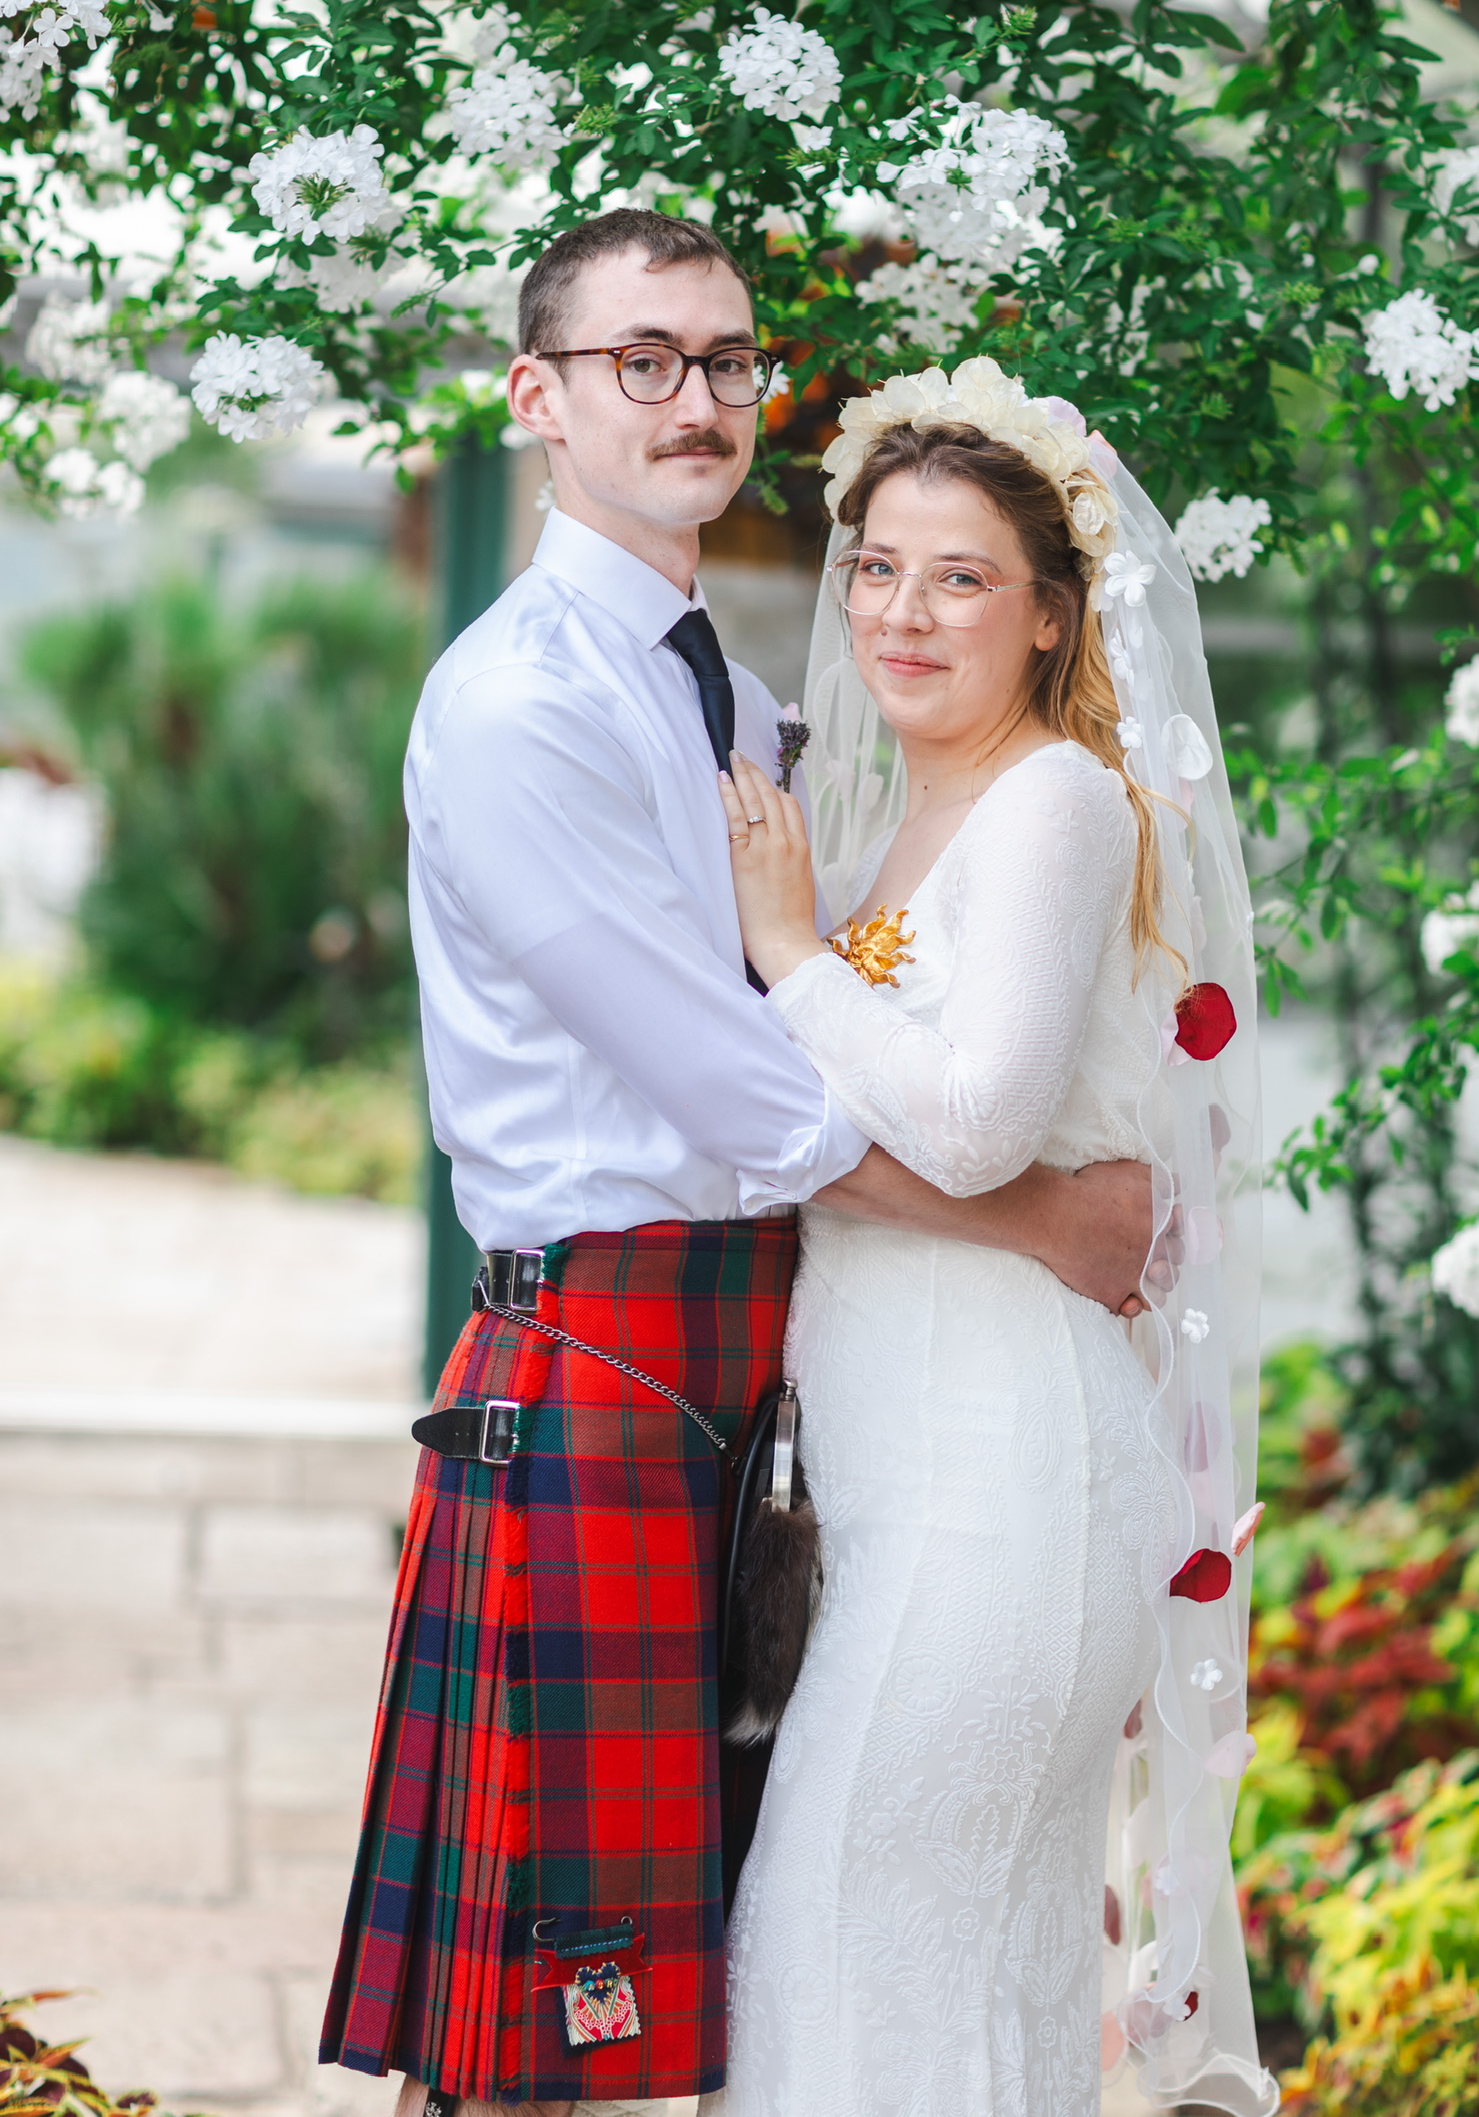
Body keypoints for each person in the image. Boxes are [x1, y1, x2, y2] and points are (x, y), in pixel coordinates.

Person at [319, 213, 1156, 2117]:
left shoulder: (728, 681)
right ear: (537, 395)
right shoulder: (527, 702)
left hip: (751, 1385)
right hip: (608, 1365)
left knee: (740, 1988)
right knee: (565, 2030)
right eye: (643, 361)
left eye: (724, 360)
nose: (696, 400)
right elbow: (737, 1094)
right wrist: (1041, 1221)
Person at [704, 362, 1275, 2117]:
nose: (901, 609)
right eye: (876, 565)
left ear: (1048, 616)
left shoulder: (1058, 805)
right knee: (939, 1982)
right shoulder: (897, 826)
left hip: (1007, 1485)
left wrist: (787, 954)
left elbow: (968, 1122)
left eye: (961, 577)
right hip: (919, 1485)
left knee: (845, 1956)